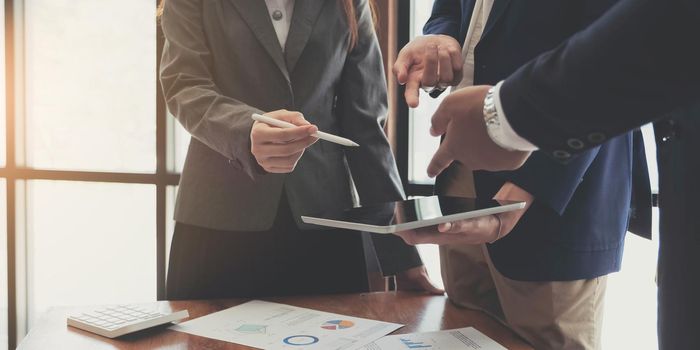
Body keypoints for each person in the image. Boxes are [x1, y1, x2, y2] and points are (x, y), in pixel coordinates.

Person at [393, 0, 700, 348]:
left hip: (559, 180)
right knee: (464, 332)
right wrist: (441, 36)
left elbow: (617, 48)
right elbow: (450, 7)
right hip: (461, 165)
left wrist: (527, 184)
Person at [159, 0, 441, 299]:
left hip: (324, 224)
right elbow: (184, 85)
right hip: (218, 222)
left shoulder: (350, 3)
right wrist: (245, 130)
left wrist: (401, 251)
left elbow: (366, 128)